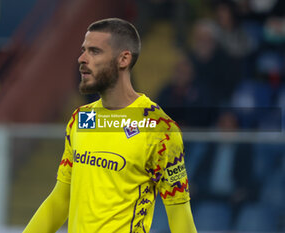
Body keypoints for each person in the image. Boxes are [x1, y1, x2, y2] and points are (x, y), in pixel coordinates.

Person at [23, 18, 196, 233]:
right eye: (83, 50)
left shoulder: (158, 129)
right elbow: (61, 197)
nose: (82, 59)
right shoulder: (81, 119)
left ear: (123, 59)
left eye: (94, 51)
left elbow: (179, 212)